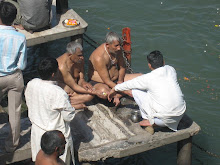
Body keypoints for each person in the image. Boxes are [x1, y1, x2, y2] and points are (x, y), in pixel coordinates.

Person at [108, 50, 186, 132]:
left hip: (162, 120)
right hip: (180, 114)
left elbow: (129, 84)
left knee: (136, 91)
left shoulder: (148, 78)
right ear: (163, 62)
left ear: (149, 65)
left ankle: (148, 119)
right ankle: (163, 121)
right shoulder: (171, 69)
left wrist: (115, 88)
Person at [25, 57, 75, 164]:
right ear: (53, 74)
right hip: (55, 135)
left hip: (37, 131)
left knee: (39, 159)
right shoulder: (58, 93)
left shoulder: (32, 83)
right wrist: (67, 102)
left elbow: (29, 101)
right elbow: (69, 116)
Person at [0, 1, 27, 152]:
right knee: (15, 112)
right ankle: (12, 145)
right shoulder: (20, 37)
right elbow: (22, 65)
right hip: (14, 77)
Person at [88, 31, 141, 106]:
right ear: (107, 45)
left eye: (119, 45)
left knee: (141, 77)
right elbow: (106, 80)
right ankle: (116, 94)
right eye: (116, 46)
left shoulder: (117, 50)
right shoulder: (99, 57)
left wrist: (120, 81)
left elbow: (122, 67)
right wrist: (125, 90)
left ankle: (116, 94)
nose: (119, 48)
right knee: (104, 93)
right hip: (101, 83)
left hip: (116, 80)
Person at [56, 41, 104, 109]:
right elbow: (74, 86)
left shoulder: (79, 60)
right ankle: (66, 103)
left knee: (90, 96)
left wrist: (83, 83)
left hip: (74, 88)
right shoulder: (62, 67)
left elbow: (81, 78)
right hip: (64, 89)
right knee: (91, 94)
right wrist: (95, 92)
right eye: (79, 55)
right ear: (70, 55)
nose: (82, 57)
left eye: (82, 55)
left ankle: (70, 102)